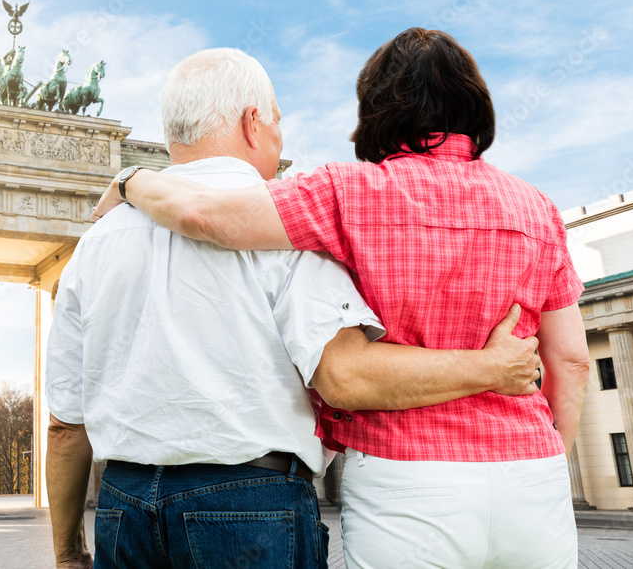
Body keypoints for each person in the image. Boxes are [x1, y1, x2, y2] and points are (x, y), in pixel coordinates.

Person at [93, 31, 591, 568]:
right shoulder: (538, 208)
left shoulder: (345, 191)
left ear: (377, 106)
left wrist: (130, 180)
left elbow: (203, 217)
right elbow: (571, 360)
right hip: (531, 470)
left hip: (405, 475)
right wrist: (545, 464)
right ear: (476, 103)